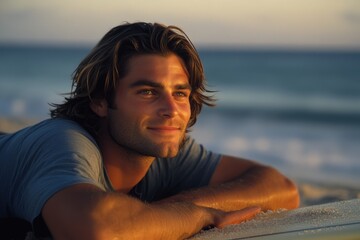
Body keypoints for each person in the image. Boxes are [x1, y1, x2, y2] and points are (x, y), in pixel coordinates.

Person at [0, 22, 300, 240]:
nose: (172, 109)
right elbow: (97, 230)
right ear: (100, 102)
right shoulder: (62, 142)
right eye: (147, 92)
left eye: (180, 93)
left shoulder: (160, 151)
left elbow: (280, 188)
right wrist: (198, 215)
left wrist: (169, 209)